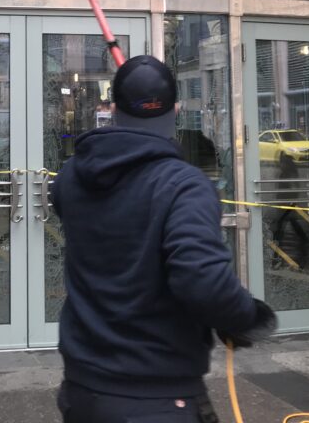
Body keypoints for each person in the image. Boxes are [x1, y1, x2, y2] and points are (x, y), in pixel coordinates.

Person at [51, 55, 277, 423]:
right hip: (156, 397)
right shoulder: (185, 186)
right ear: (175, 109)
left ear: (112, 108)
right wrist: (245, 316)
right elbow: (201, 278)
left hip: (82, 390)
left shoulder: (71, 178)